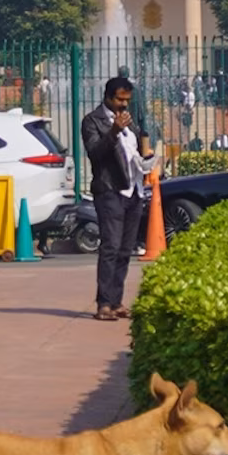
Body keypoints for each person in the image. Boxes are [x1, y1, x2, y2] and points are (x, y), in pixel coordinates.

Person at [79, 74, 152, 322]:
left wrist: (148, 159)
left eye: (127, 101)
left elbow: (135, 152)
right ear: (109, 98)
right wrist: (113, 130)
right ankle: (103, 304)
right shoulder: (92, 121)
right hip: (110, 190)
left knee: (124, 250)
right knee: (110, 247)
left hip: (133, 190)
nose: (124, 105)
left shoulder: (129, 123)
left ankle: (117, 301)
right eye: (120, 100)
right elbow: (95, 153)